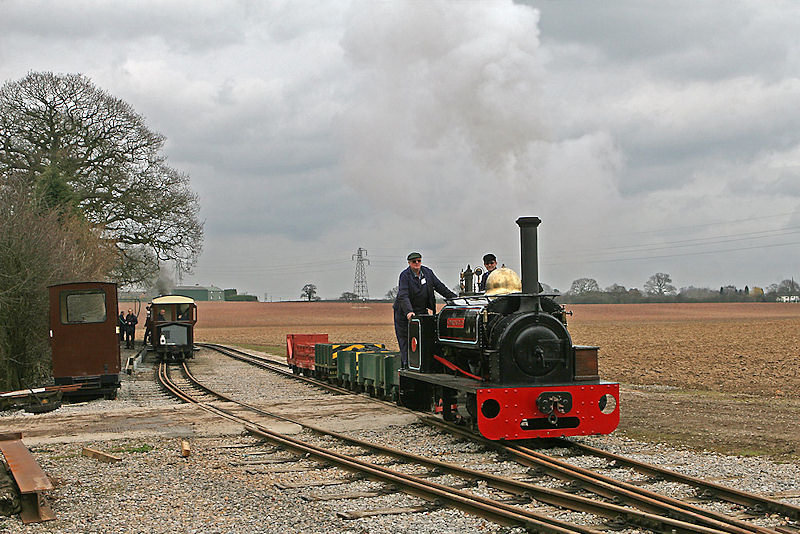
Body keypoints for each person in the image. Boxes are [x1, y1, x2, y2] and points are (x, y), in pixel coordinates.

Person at [393, 252, 457, 367]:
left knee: (426, 338)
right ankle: (407, 366)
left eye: (419, 261)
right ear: (409, 263)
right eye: (414, 262)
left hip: (421, 310)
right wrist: (409, 312)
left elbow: (440, 287)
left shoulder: (428, 273)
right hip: (404, 314)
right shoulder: (405, 275)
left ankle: (425, 364)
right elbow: (403, 295)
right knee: (406, 342)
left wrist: (456, 299)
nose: (417, 263)